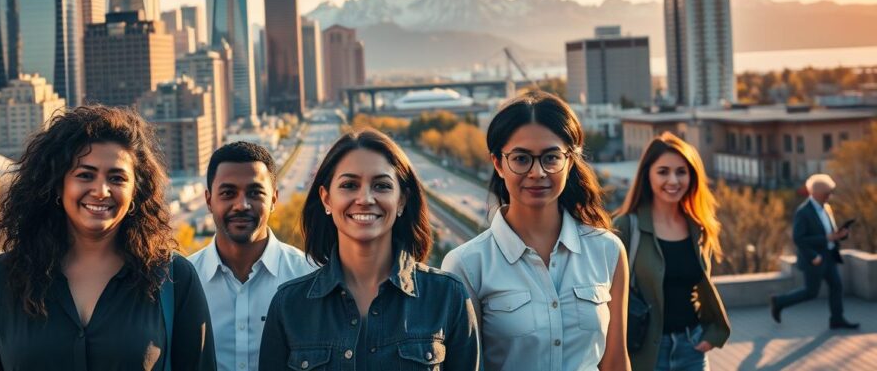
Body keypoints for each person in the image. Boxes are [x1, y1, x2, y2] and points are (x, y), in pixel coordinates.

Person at [0, 106, 216, 370]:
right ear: (58, 185)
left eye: (117, 178)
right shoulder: (2, 279)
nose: (101, 190)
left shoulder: (173, 278)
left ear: (135, 194)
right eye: (85, 175)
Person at [259, 128, 480, 371]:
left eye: (382, 186)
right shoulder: (289, 305)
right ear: (326, 199)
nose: (365, 198)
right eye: (349, 185)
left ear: (402, 200)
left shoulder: (447, 297)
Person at [442, 92, 629, 371]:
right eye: (521, 159)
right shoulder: (467, 265)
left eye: (551, 157)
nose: (537, 172)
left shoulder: (607, 250)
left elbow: (615, 361)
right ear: (498, 163)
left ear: (569, 161)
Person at [189, 141, 315, 371]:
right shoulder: (182, 281)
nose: (242, 205)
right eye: (228, 193)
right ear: (209, 200)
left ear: (274, 199)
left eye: (255, 193)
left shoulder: (310, 278)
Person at [613, 133, 730, 371]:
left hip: (692, 348)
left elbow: (702, 287)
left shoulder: (699, 227)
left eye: (681, 172)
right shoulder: (627, 226)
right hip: (644, 352)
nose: (673, 180)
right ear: (648, 175)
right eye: (663, 171)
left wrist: (710, 334)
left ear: (692, 177)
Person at [770, 173, 859, 330]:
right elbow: (799, 239)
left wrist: (839, 235)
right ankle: (779, 302)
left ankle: (837, 319)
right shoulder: (803, 212)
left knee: (837, 286)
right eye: (827, 193)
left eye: (831, 192)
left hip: (829, 256)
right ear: (816, 193)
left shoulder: (827, 208)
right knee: (811, 292)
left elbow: (829, 233)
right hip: (815, 259)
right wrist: (815, 253)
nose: (829, 196)